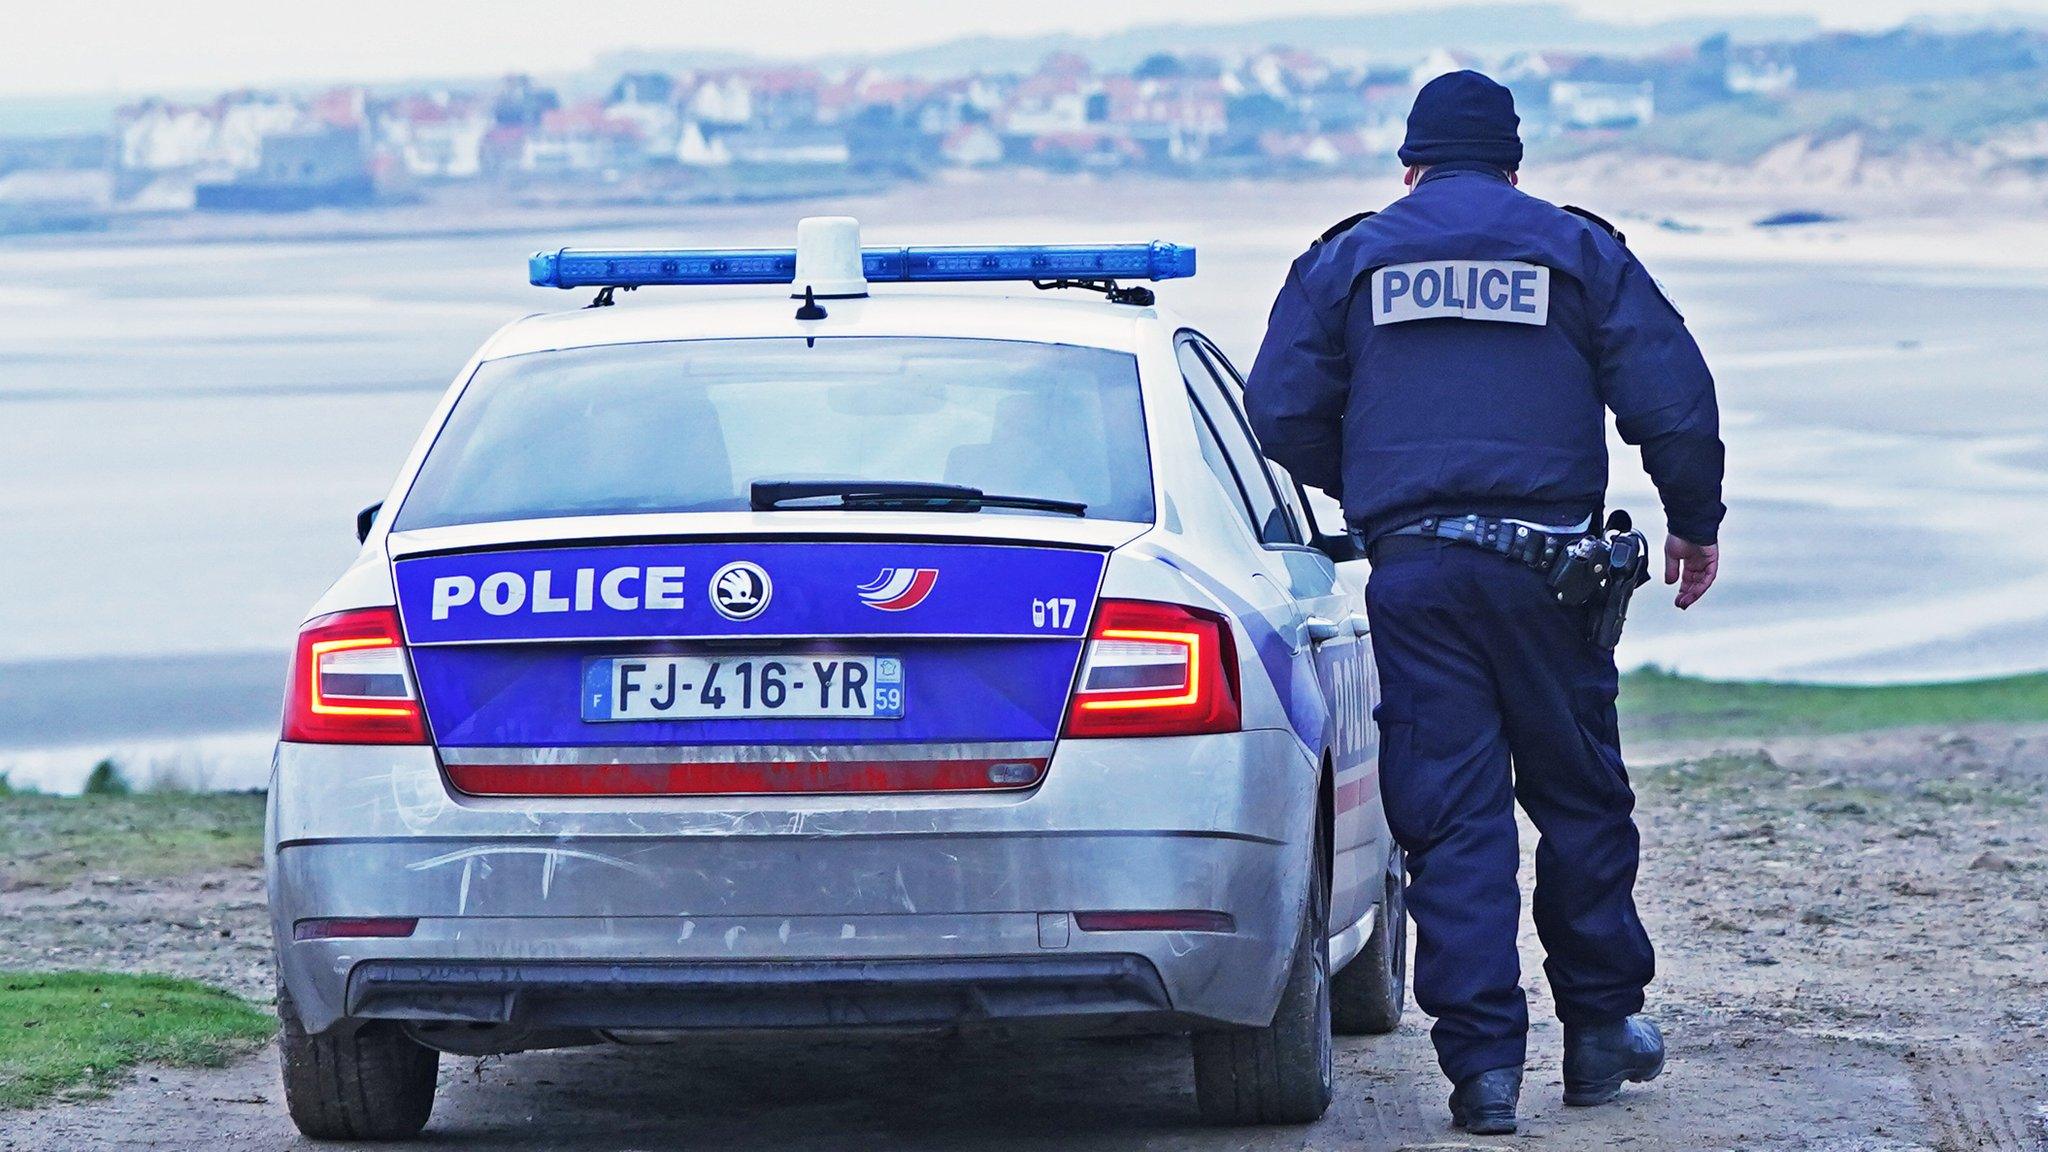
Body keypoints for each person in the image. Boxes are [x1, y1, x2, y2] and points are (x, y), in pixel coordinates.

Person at [1243, 70, 1725, 1136]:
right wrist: (1693, 518)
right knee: (1578, 798)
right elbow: (1671, 395)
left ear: (1407, 163)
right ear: (1513, 162)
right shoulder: (1573, 247)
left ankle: (1482, 1075)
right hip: (1550, 575)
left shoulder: (1349, 257)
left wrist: (1377, 488)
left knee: (1452, 819)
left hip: (1416, 574)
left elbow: (1276, 413)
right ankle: (1599, 1033)